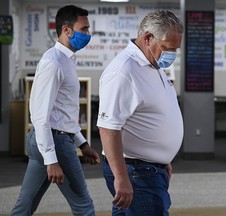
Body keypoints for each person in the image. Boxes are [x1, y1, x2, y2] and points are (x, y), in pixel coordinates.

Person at [10, 5, 100, 216]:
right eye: (84, 29)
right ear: (67, 30)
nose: (88, 34)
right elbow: (41, 115)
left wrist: (83, 143)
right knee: (83, 205)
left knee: (26, 204)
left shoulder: (67, 60)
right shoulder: (53, 61)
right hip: (54, 141)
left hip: (51, 138)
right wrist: (51, 160)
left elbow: (62, 112)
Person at [97, 10, 184, 216]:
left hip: (150, 168)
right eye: (167, 48)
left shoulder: (152, 65)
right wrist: (121, 177)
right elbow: (108, 127)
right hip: (136, 172)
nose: (171, 55)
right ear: (147, 38)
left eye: (175, 50)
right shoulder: (124, 71)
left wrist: (164, 160)